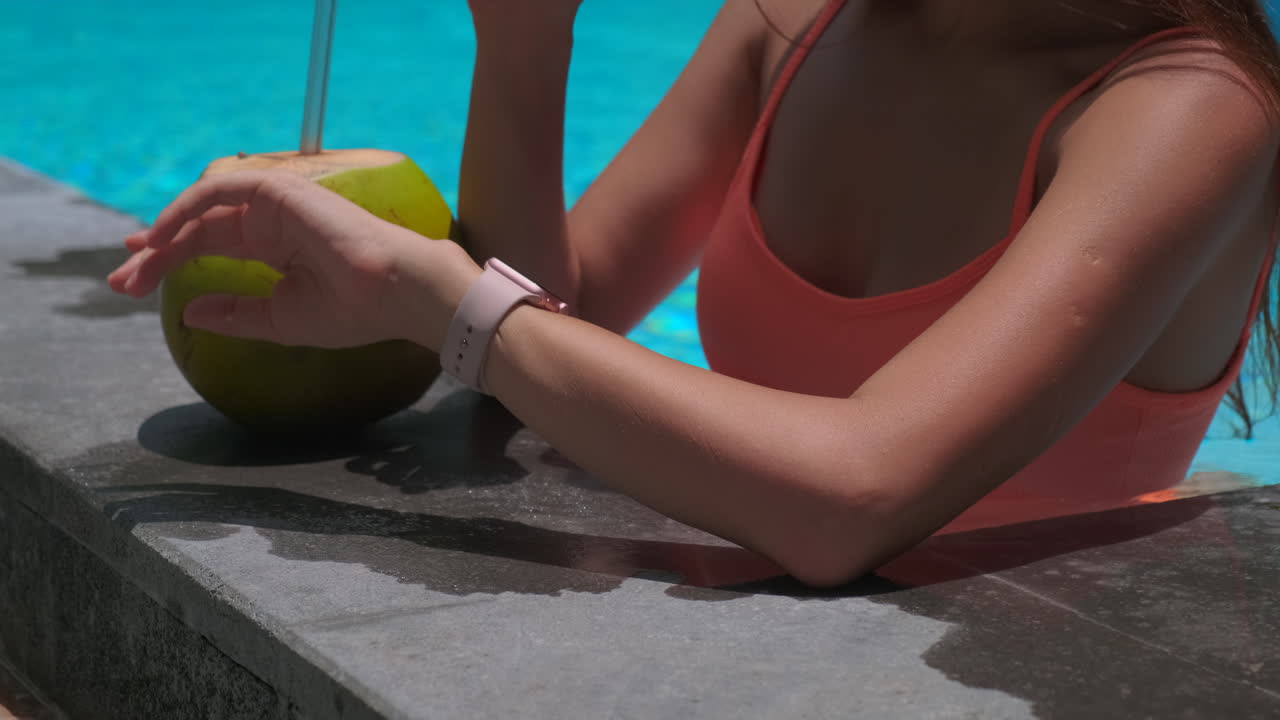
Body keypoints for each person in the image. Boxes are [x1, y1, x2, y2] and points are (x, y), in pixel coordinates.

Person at [107, 0, 1280, 587]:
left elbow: (852, 498)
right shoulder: (799, 21)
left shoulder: (1191, 105)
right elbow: (564, 328)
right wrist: (524, 39)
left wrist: (431, 298)